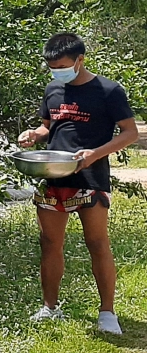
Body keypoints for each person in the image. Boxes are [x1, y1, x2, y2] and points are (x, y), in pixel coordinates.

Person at [17, 33, 138, 334]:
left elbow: (130, 133)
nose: (57, 70)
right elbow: (48, 126)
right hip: (54, 176)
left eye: (62, 65)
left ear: (80, 60)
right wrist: (33, 134)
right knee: (49, 243)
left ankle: (107, 313)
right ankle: (49, 307)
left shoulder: (109, 91)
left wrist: (95, 153)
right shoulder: (53, 89)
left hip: (91, 177)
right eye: (52, 66)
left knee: (97, 243)